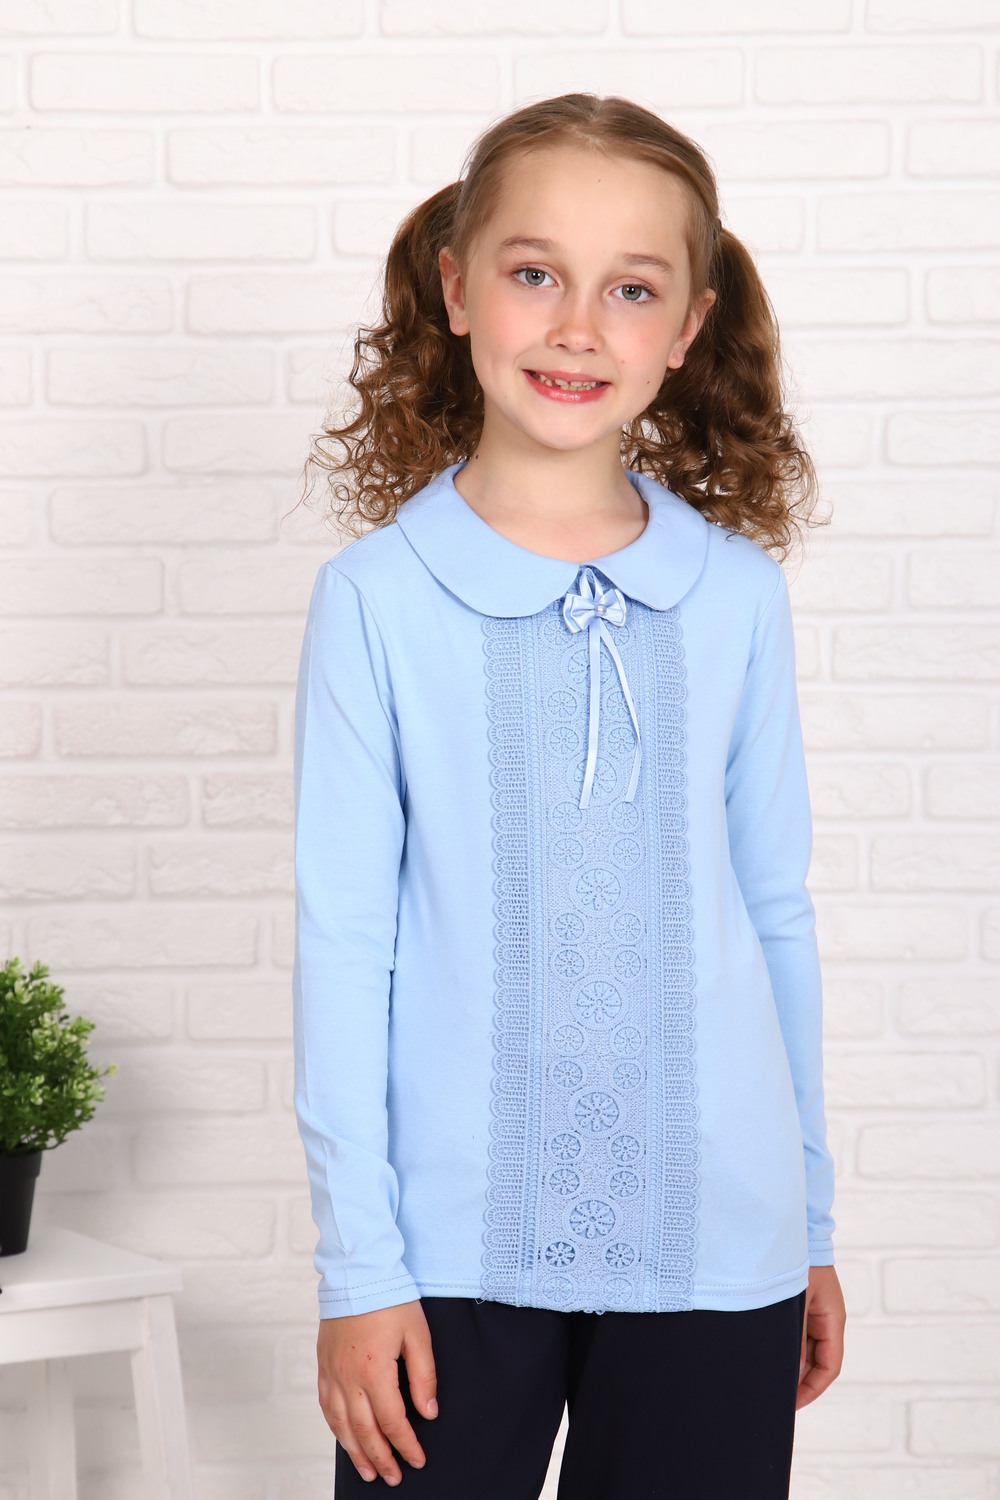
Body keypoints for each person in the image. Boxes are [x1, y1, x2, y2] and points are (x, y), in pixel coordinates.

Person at [292, 92, 846, 1500]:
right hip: (448, 1253)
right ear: (455, 287)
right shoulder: (377, 600)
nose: (579, 327)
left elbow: (775, 914)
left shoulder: (735, 598)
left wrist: (809, 1227)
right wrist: (359, 1267)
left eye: (632, 288)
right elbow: (345, 942)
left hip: (722, 1241)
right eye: (536, 272)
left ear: (691, 324)